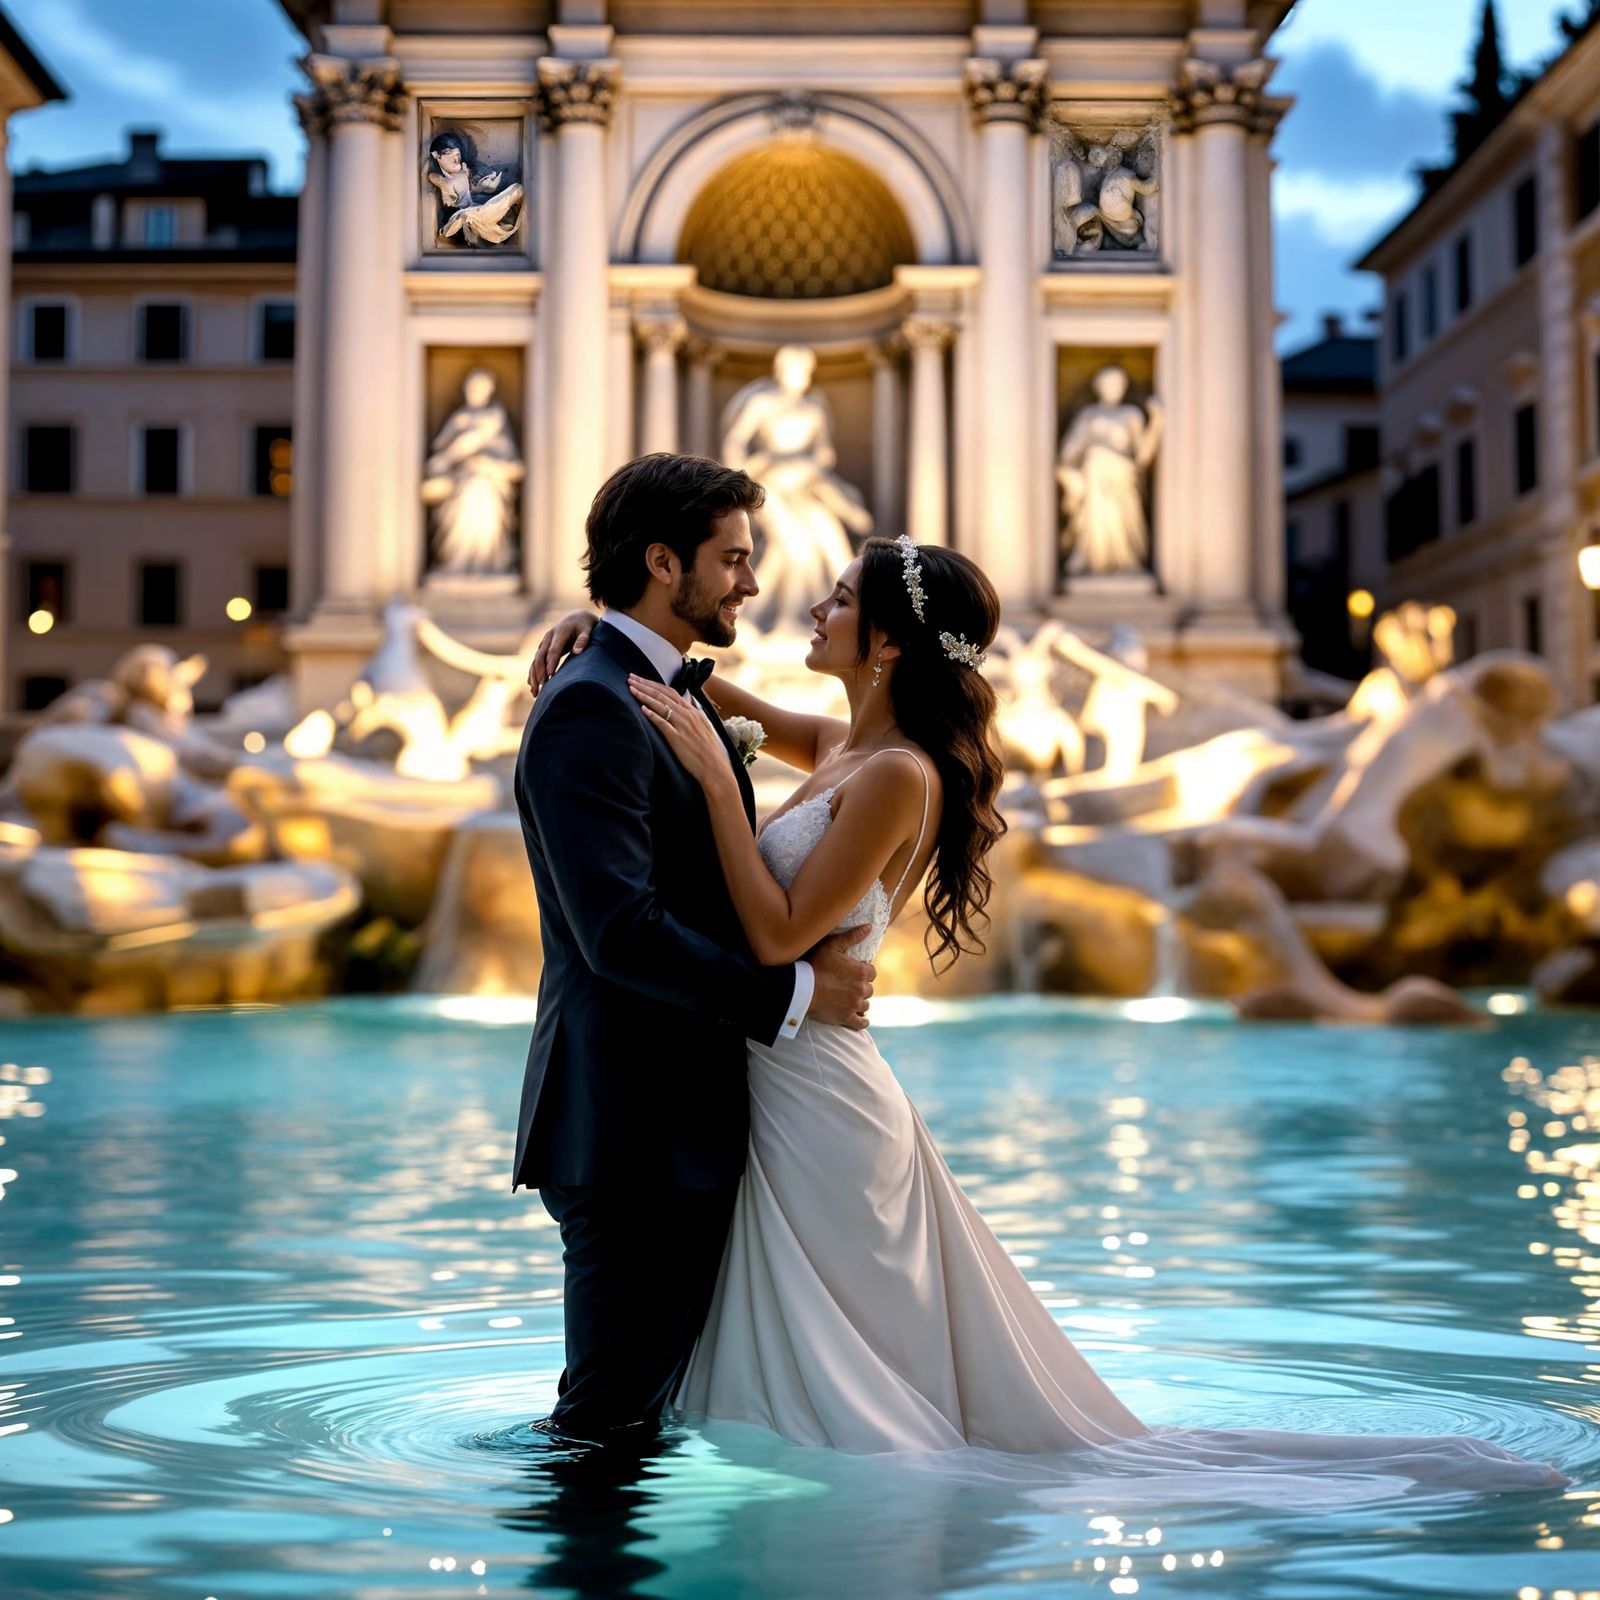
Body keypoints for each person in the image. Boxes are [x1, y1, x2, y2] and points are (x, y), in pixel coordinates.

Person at [527, 490, 1569, 1501]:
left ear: (887, 642)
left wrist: (722, 789)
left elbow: (774, 933)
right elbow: (690, 688)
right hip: (776, 1072)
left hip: (816, 1086)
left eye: (839, 599)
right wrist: (600, 628)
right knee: (828, 1348)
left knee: (862, 1368)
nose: (808, 604)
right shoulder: (845, 746)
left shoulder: (896, 774)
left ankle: (871, 1523)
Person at [510, 452, 876, 1445]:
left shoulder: (664, 689)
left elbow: (839, 747)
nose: (752, 582)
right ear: (663, 563)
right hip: (630, 1126)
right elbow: (618, 934)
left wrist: (605, 631)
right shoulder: (592, 706)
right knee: (606, 1425)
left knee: (633, 1414)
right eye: (733, 558)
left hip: (679, 1123)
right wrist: (794, 994)